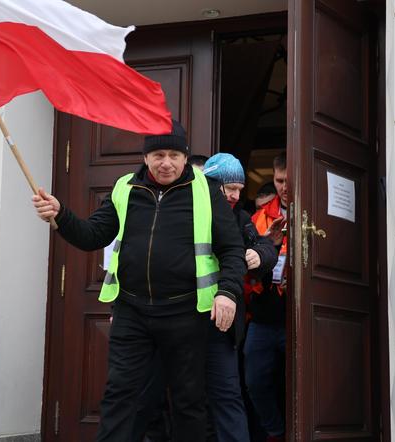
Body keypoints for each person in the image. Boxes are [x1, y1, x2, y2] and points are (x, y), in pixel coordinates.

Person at [32, 120, 246, 442]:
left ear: (185, 157)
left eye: (174, 154)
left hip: (186, 313)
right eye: (158, 154)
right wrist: (61, 215)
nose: (166, 163)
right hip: (133, 312)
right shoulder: (124, 188)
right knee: (121, 396)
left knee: (189, 401)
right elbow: (93, 235)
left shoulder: (207, 190)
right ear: (145, 157)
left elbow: (232, 249)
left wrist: (227, 292)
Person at [133, 153, 277, 442]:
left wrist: (258, 255)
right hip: (175, 321)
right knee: (168, 399)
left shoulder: (240, 218)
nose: (237, 196)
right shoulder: (181, 211)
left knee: (226, 397)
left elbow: (267, 249)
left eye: (240, 188)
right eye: (230, 188)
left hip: (218, 326)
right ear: (211, 185)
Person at [243, 152, 288, 442]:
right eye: (279, 180)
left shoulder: (316, 207)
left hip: (304, 311)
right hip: (265, 312)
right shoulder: (259, 218)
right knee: (255, 380)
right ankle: (275, 431)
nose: (284, 186)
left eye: (288, 180)